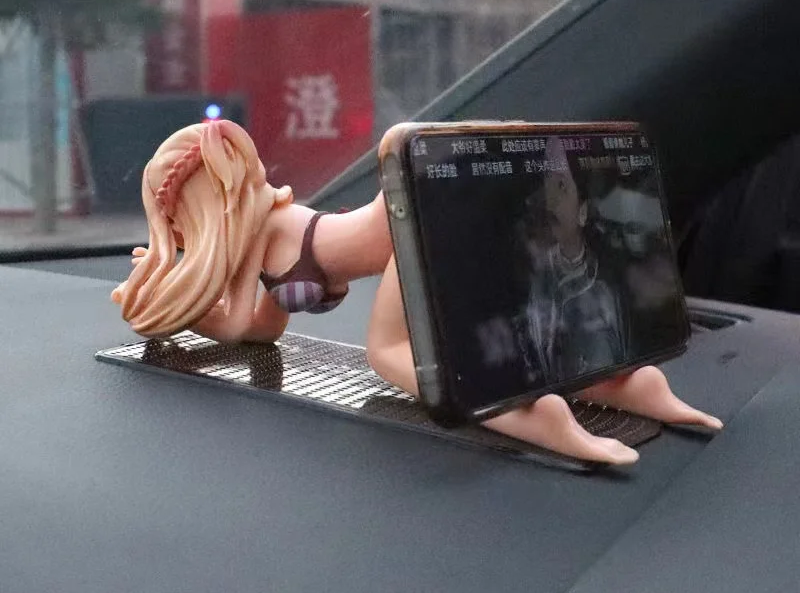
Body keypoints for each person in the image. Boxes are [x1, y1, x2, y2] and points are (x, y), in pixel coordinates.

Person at [113, 119, 722, 467]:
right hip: (410, 234)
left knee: (390, 356)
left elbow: (238, 325)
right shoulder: (264, 233)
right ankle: (631, 385)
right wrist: (187, 296)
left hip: (406, 229)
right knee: (500, 334)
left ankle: (534, 416)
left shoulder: (265, 231)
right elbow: (263, 330)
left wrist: (182, 305)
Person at [518, 137, 627, 384]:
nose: (550, 199)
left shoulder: (604, 289)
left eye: (561, 186)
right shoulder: (538, 272)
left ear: (583, 212)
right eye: (547, 181)